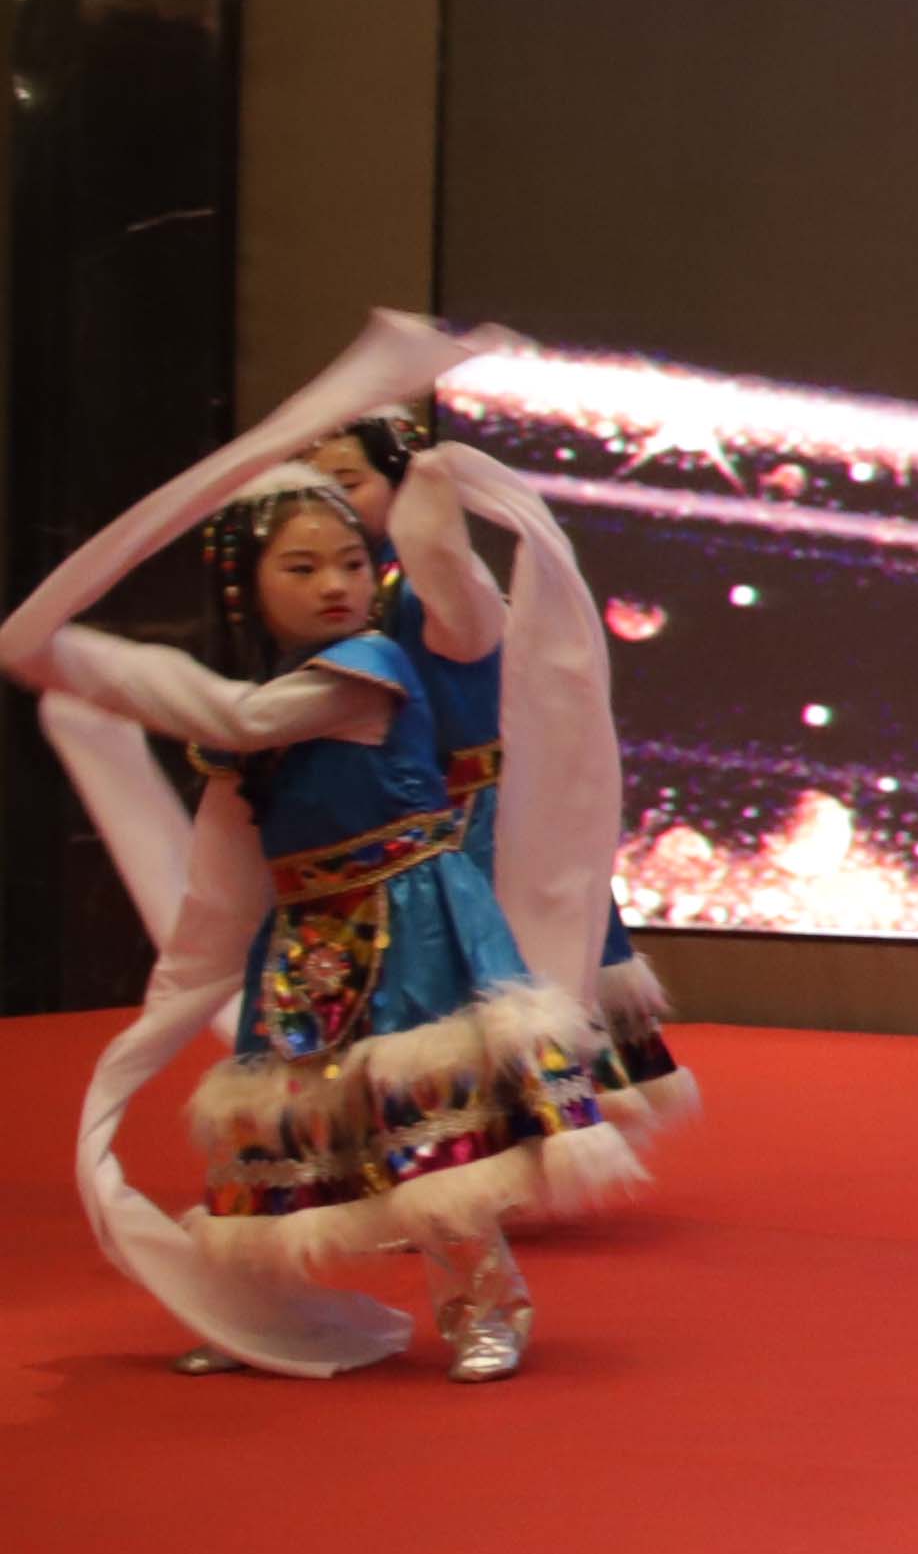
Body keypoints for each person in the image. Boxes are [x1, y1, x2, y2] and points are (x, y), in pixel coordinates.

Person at [44, 482, 634, 1372]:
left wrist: (69, 657)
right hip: (307, 933)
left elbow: (237, 719)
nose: (335, 584)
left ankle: (487, 1309)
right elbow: (229, 854)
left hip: (412, 918)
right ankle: (257, 1316)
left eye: (352, 563)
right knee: (282, 1124)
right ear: (246, 586)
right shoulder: (281, 695)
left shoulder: (367, 666)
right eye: (302, 567)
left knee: (433, 1123)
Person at [313, 405, 693, 1129]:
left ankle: (505, 1137)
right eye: (317, 486)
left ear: (403, 483)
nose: (330, 502)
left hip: (474, 820)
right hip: (433, 814)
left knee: (487, 979)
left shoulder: (422, 588)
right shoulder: (361, 595)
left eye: (348, 482)